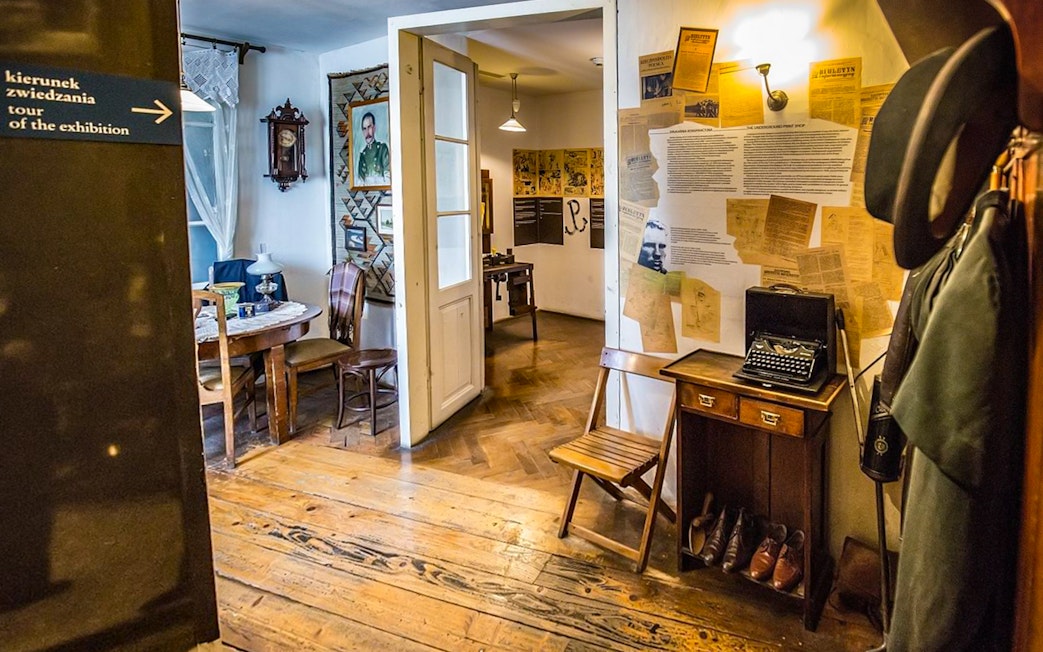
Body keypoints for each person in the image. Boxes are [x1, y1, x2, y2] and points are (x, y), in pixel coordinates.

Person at [356, 111, 390, 185]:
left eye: (369, 127)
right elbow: (360, 183)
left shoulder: (382, 149)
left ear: (374, 128)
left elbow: (388, 180)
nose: (367, 132)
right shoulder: (362, 155)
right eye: (364, 129)